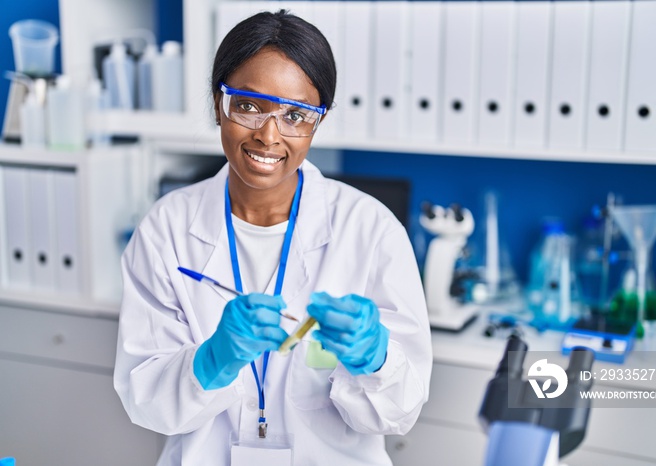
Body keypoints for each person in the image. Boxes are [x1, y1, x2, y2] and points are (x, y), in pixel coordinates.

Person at [114, 10, 432, 466]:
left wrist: (376, 360)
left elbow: (400, 412)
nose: (268, 135)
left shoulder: (371, 230)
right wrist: (212, 359)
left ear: (317, 123)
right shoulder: (166, 229)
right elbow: (145, 399)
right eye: (248, 105)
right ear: (218, 101)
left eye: (296, 115)